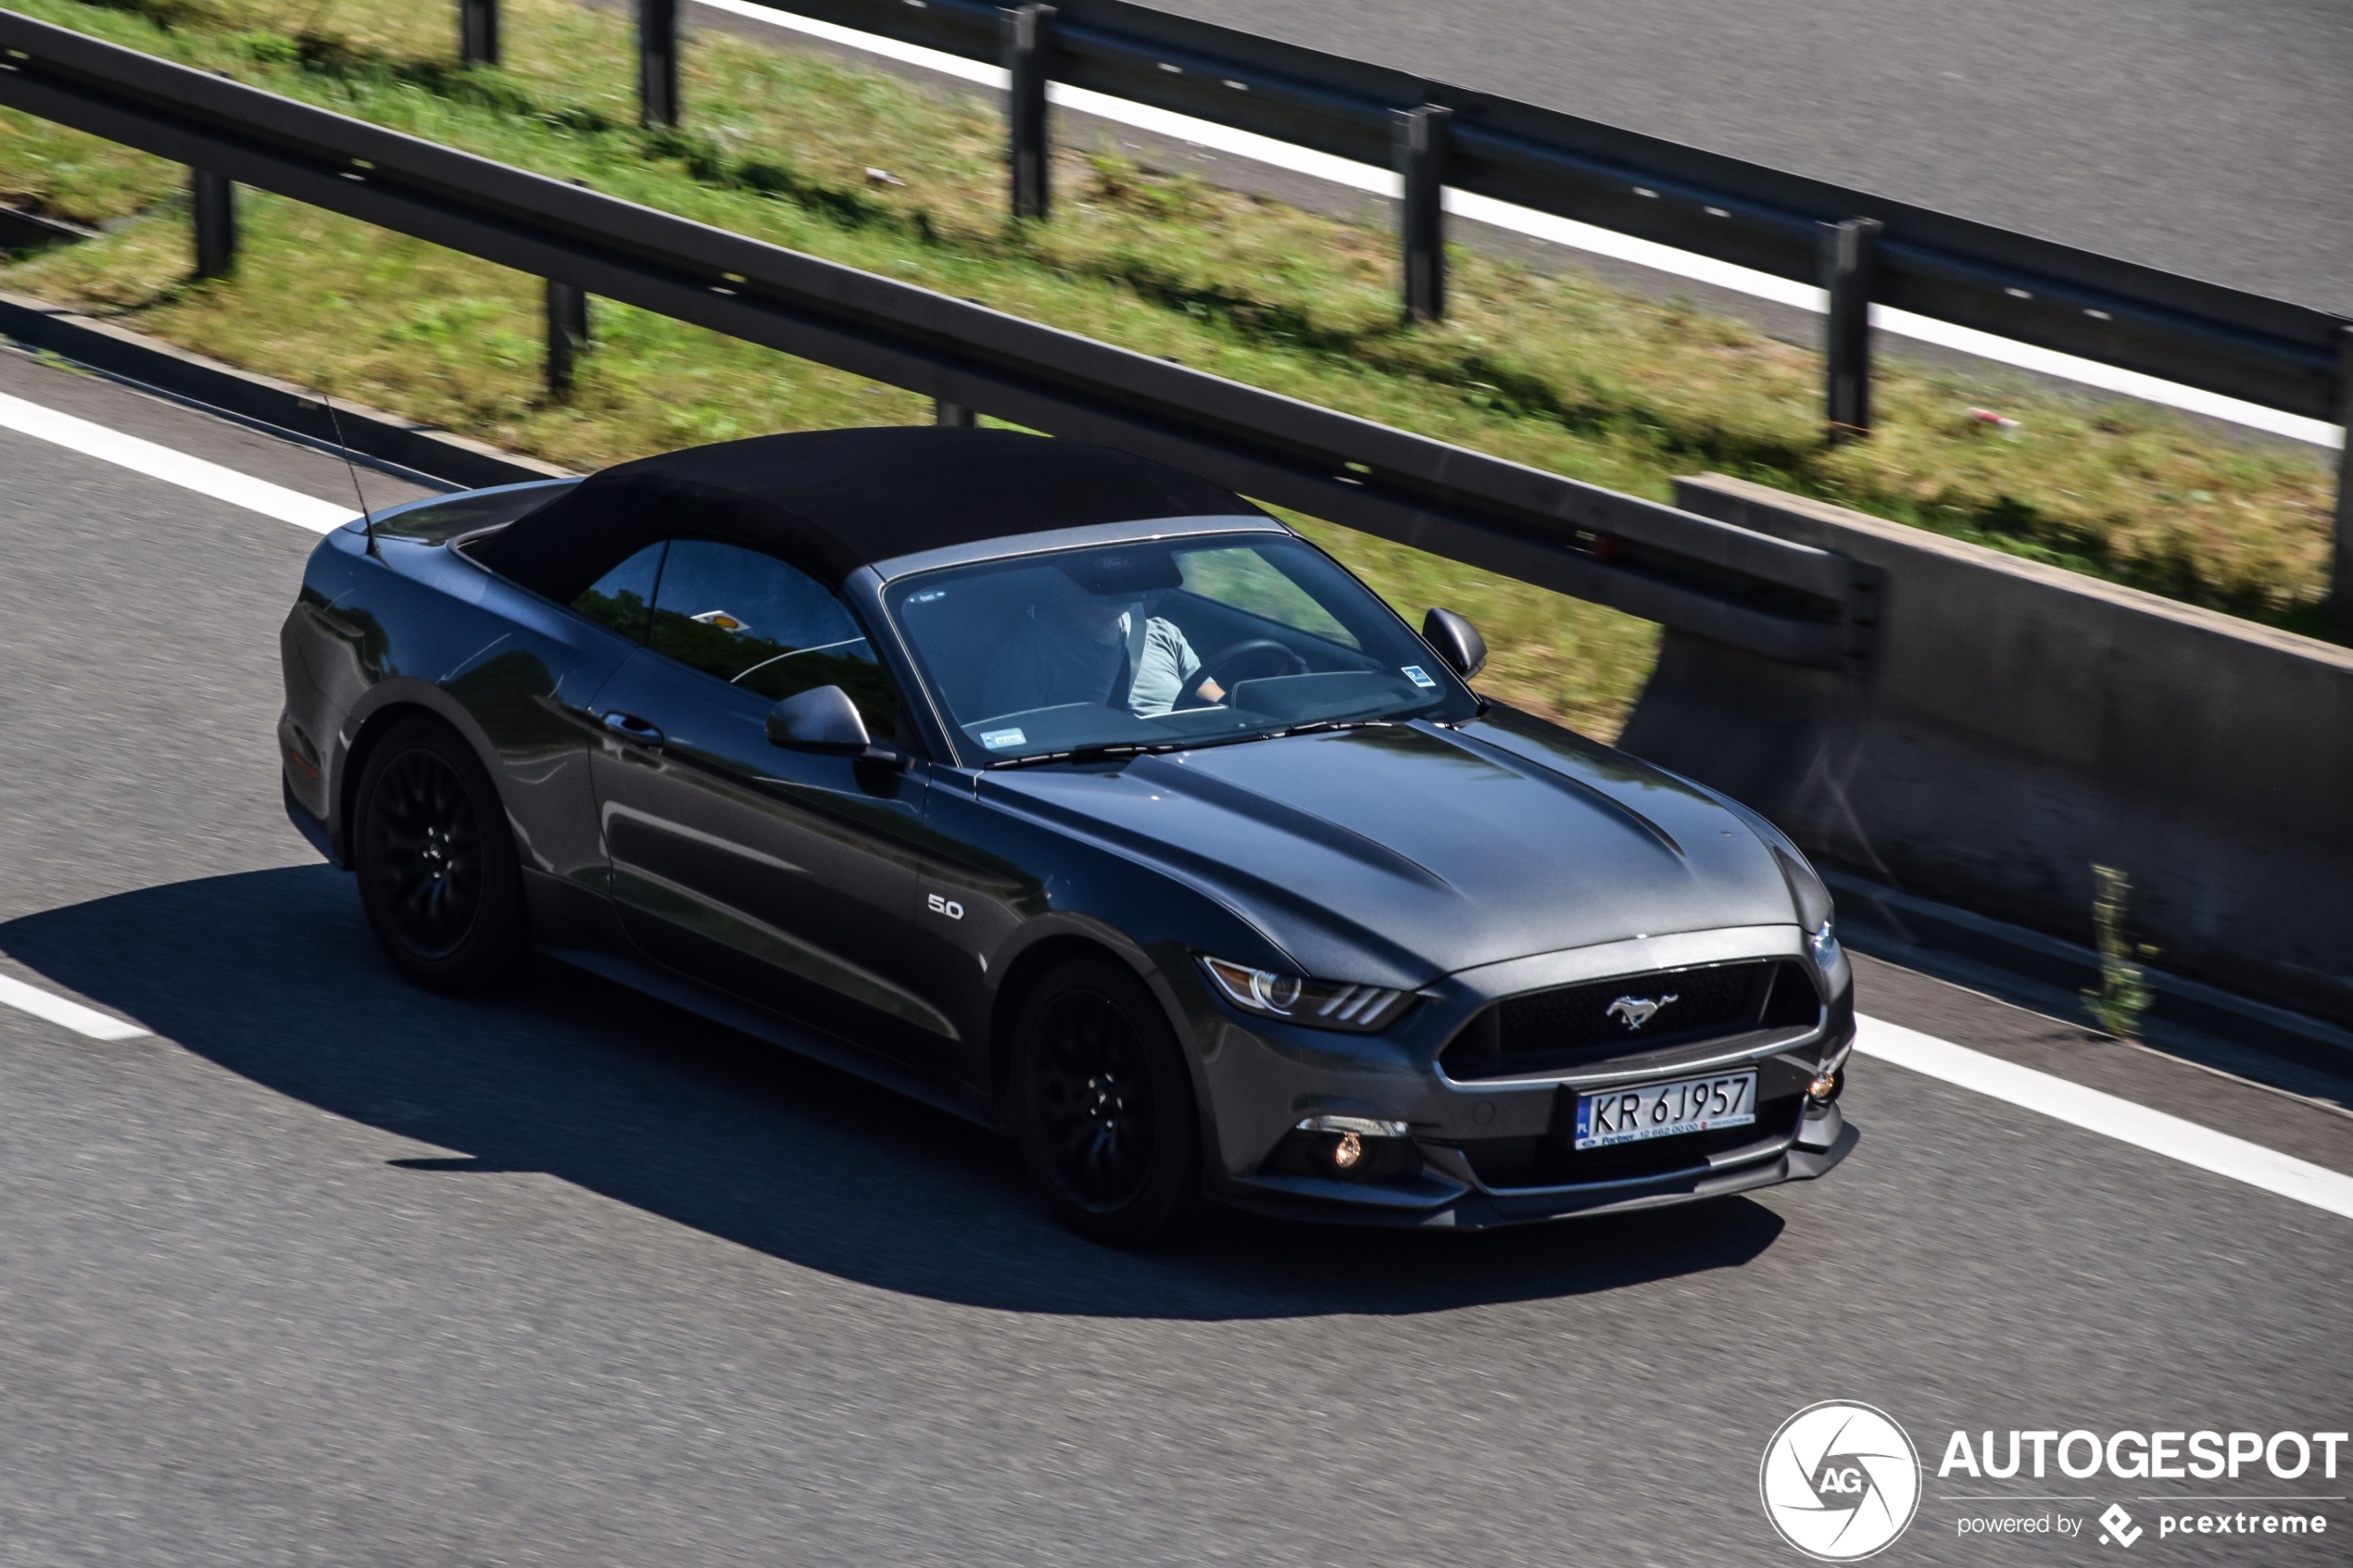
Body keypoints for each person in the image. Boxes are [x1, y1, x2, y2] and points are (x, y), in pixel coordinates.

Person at [982, 575, 1225, 719]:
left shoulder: (1163, 633)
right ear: (1066, 584)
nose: (1117, 586)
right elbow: (1011, 736)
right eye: (1103, 575)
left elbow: (1218, 704)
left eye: (1125, 574)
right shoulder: (1030, 650)